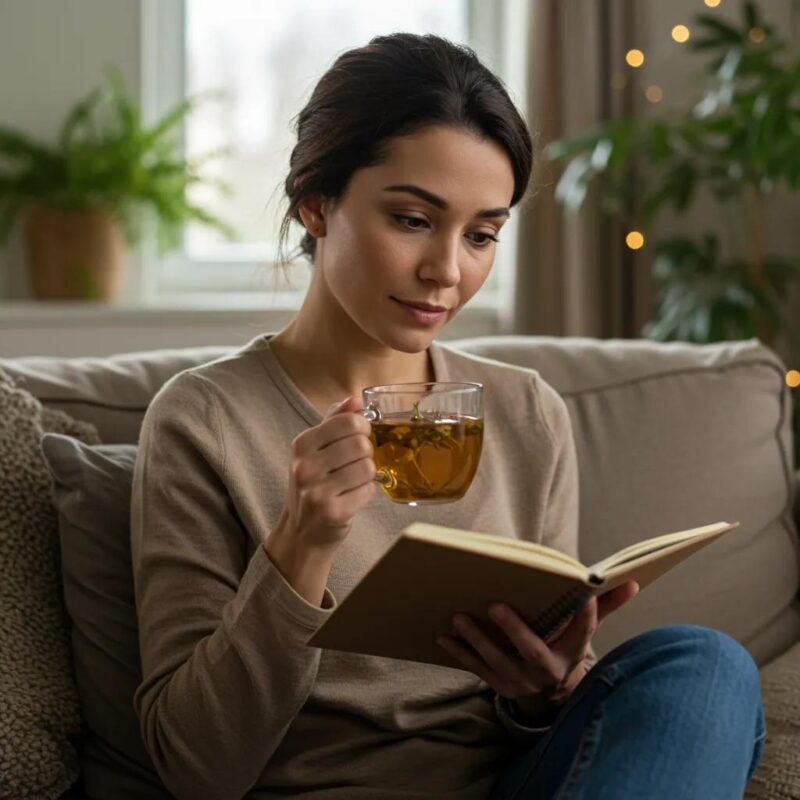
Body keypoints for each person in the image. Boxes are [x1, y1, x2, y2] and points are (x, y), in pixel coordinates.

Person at [131, 32, 765, 799]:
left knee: (702, 665)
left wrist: (542, 692)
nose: (448, 272)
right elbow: (196, 769)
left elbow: (563, 728)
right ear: (316, 200)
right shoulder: (205, 419)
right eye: (411, 219)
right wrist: (301, 545)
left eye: (482, 235)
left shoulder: (526, 411)